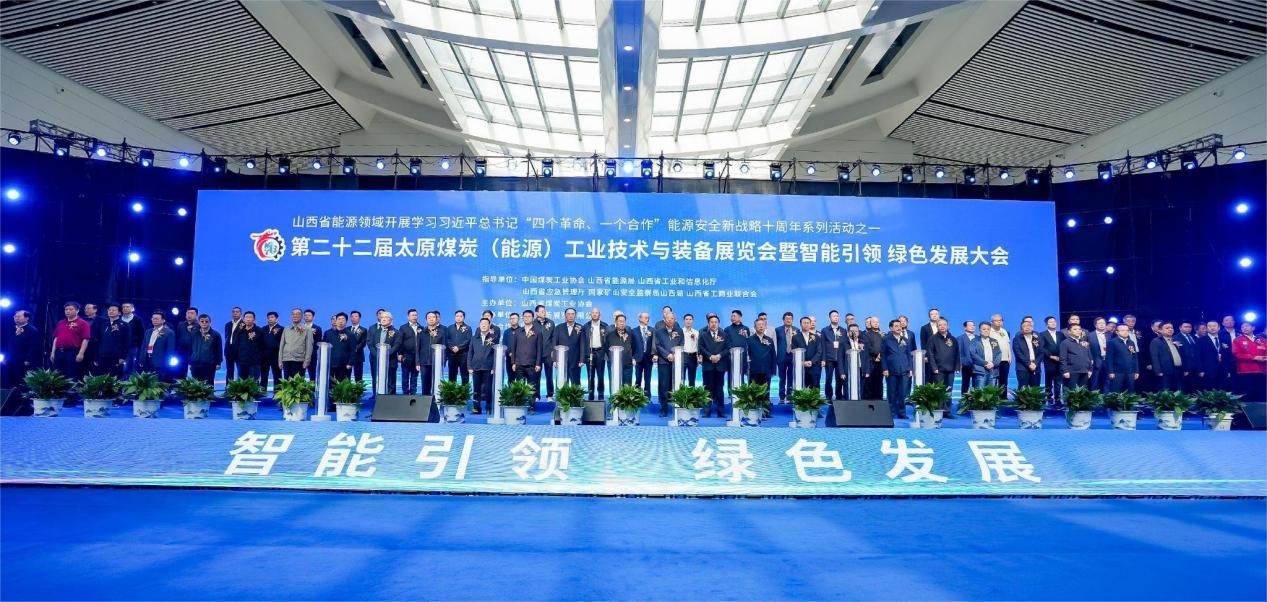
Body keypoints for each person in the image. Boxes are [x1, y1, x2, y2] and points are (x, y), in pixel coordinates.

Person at [50, 302, 91, 381]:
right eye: (66, 309)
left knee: (71, 374)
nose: (68, 311)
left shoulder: (83, 323)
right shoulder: (60, 323)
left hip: (72, 352)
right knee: (57, 374)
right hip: (59, 352)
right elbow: (56, 338)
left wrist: (81, 353)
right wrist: (53, 352)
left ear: (77, 310)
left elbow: (86, 339)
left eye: (71, 309)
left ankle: (71, 389)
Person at [509, 309, 545, 401]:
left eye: (529, 316)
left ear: (533, 318)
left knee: (532, 387)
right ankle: (521, 404)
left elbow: (539, 349)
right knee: (520, 387)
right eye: (525, 316)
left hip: (532, 364)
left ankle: (532, 405)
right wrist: (513, 362)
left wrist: (538, 364)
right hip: (519, 364)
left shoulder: (538, 332)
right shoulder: (518, 332)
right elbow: (513, 348)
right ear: (522, 318)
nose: (527, 318)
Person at [654, 311, 685, 417]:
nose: (670, 320)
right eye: (668, 318)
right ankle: (663, 409)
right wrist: (668, 355)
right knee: (664, 386)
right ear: (664, 320)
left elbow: (682, 343)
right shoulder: (659, 332)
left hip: (677, 362)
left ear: (675, 320)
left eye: (672, 318)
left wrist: (675, 354)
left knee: (677, 385)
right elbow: (658, 346)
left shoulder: (679, 331)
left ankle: (678, 408)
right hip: (664, 362)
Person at [699, 314, 729, 418]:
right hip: (708, 365)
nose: (714, 324)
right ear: (708, 324)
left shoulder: (724, 335)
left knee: (720, 389)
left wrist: (719, 356)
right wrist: (710, 356)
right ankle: (706, 411)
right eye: (711, 322)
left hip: (720, 365)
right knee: (707, 389)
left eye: (716, 322)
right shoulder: (703, 335)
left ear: (719, 323)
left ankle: (721, 412)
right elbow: (701, 348)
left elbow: (727, 348)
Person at [882, 319, 912, 419]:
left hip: (904, 370)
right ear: (891, 328)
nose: (899, 328)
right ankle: (891, 412)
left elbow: (909, 355)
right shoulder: (886, 339)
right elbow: (883, 355)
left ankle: (902, 412)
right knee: (891, 392)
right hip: (891, 370)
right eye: (896, 326)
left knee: (902, 393)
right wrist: (885, 368)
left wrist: (910, 368)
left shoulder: (905, 339)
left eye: (900, 326)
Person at [3, 310, 41, 388]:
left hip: (23, 360)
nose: (16, 318)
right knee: (10, 380)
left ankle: (21, 394)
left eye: (19, 316)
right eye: (15, 316)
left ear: (27, 318)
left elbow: (33, 346)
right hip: (11, 359)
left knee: (21, 380)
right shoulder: (11, 329)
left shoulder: (32, 330)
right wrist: (6, 357)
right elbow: (7, 344)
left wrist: (28, 359)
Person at [1231, 322, 1267, 402]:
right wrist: (1253, 358)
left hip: (1262, 371)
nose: (1244, 328)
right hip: (1246, 371)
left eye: (1247, 326)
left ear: (1253, 328)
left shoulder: (1262, 340)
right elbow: (1237, 354)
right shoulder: (1238, 340)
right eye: (1242, 327)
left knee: (1262, 395)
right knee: (1248, 396)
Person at [469, 318, 498, 414]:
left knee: (488, 388)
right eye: (482, 323)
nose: (483, 325)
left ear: (489, 326)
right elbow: (470, 353)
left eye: (486, 323)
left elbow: (495, 354)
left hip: (488, 367)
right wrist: (469, 366)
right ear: (479, 325)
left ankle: (489, 408)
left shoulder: (494, 338)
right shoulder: (474, 338)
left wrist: (494, 367)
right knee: (476, 389)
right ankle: (476, 408)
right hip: (476, 367)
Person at [835, 324, 871, 402]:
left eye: (856, 331)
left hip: (861, 370)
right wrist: (842, 372)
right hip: (848, 370)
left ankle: (859, 405)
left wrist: (867, 371)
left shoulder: (863, 343)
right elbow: (840, 359)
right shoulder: (843, 343)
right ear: (848, 333)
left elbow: (867, 358)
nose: (854, 333)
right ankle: (848, 405)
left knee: (861, 389)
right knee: (847, 389)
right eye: (852, 331)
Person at [366, 311, 400, 393]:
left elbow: (396, 345)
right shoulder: (375, 331)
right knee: (376, 380)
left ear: (390, 320)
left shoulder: (396, 332)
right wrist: (378, 355)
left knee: (390, 382)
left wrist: (385, 355)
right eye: (382, 317)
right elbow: (370, 344)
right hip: (376, 360)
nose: (383, 319)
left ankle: (390, 398)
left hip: (390, 360)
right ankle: (376, 398)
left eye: (386, 317)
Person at [92, 304, 129, 378]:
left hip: (116, 357)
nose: (111, 311)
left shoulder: (124, 325)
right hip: (102, 356)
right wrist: (96, 357)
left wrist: (123, 357)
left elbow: (127, 342)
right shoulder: (102, 324)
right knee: (100, 378)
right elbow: (98, 341)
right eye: (109, 310)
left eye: (113, 310)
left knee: (114, 378)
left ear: (119, 313)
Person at [580, 308, 609, 400]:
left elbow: (608, 341)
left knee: (600, 375)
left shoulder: (605, 326)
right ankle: (591, 394)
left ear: (600, 315)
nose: (595, 314)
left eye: (597, 313)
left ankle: (601, 394)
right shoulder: (586, 326)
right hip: (590, 353)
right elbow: (583, 342)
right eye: (593, 313)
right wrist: (585, 356)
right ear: (590, 315)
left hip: (601, 352)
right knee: (590, 375)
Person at [140, 310, 177, 381]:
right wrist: (141, 359)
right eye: (153, 318)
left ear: (163, 320)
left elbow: (170, 349)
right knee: (147, 382)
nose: (155, 320)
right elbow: (143, 346)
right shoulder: (148, 331)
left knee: (159, 382)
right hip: (147, 360)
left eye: (157, 319)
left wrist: (167, 363)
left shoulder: (169, 332)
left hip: (160, 362)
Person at [553, 308, 585, 388]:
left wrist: (581, 360)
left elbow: (582, 345)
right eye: (568, 314)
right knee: (562, 383)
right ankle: (561, 395)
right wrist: (555, 360)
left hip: (575, 360)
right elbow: (554, 344)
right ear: (565, 316)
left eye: (572, 314)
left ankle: (576, 396)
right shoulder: (558, 328)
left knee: (576, 383)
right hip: (561, 360)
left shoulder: (580, 327)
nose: (570, 316)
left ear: (575, 315)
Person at [1149, 322, 1185, 392]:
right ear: (1160, 330)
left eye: (1171, 328)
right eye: (1167, 328)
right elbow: (1154, 357)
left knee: (1178, 391)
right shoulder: (1156, 341)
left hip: (1178, 370)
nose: (1170, 329)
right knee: (1166, 391)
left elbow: (1183, 355)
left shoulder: (1176, 340)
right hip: (1165, 371)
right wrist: (1158, 371)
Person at [188, 314, 223, 386]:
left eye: (206, 321)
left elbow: (219, 350)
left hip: (209, 364)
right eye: (202, 321)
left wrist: (218, 363)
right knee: (195, 385)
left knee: (208, 385)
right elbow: (190, 348)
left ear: (210, 322)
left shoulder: (216, 335)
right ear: (199, 322)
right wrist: (190, 359)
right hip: (195, 363)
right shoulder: (194, 333)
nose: (204, 323)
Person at [926, 318, 959, 395]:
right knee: (939, 391)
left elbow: (957, 353)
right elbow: (930, 354)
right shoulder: (932, 339)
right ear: (937, 327)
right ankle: (939, 403)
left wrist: (957, 367)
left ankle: (948, 403)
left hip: (951, 369)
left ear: (948, 326)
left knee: (949, 391)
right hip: (938, 370)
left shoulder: (953, 339)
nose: (942, 326)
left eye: (944, 325)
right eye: (940, 325)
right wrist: (934, 368)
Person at [791, 316, 823, 394]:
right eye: (804, 323)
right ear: (800, 324)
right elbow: (794, 351)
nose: (806, 324)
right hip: (801, 367)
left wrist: (811, 361)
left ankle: (815, 401)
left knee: (815, 387)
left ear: (810, 324)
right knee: (803, 387)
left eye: (808, 323)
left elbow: (819, 351)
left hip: (814, 366)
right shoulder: (795, 337)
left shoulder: (816, 337)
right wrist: (802, 362)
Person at [278, 309, 313, 380]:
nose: (295, 316)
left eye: (297, 314)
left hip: (299, 360)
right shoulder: (286, 329)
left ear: (301, 316)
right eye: (293, 314)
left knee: (298, 383)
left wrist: (307, 361)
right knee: (287, 382)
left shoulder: (307, 329)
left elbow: (309, 346)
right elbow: (282, 345)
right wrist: (280, 360)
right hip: (286, 359)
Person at [605, 313, 636, 392]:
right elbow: (606, 348)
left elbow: (635, 347)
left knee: (627, 386)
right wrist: (611, 358)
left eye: (623, 321)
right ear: (616, 322)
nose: (622, 323)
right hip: (614, 364)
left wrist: (632, 358)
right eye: (620, 321)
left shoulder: (630, 334)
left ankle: (626, 400)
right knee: (614, 385)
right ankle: (614, 399)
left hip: (627, 364)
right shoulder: (610, 335)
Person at [418, 311, 446, 398]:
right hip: (424, 362)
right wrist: (417, 362)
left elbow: (445, 347)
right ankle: (425, 403)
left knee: (437, 384)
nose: (431, 319)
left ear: (436, 319)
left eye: (433, 317)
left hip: (437, 362)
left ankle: (437, 402)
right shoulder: (422, 332)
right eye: (429, 317)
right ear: (426, 320)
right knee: (425, 384)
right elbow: (418, 348)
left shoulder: (442, 332)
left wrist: (443, 361)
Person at [1059, 323, 1094, 390]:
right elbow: (1063, 358)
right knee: (1072, 392)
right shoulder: (1065, 343)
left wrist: (1090, 369)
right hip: (1072, 372)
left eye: (1079, 329)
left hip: (1085, 371)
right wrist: (1065, 371)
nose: (1078, 331)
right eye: (1075, 329)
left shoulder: (1084, 343)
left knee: (1083, 392)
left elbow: (1090, 357)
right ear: (1069, 331)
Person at [820, 310, 847, 400]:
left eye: (837, 316)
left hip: (840, 359)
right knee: (828, 378)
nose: (836, 318)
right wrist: (823, 359)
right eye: (834, 316)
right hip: (829, 358)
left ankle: (838, 396)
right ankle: (828, 396)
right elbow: (823, 346)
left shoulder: (843, 330)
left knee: (839, 379)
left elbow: (844, 346)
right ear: (829, 318)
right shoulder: (825, 330)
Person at [1106, 323, 1140, 393]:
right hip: (1117, 372)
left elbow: (1135, 357)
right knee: (1116, 392)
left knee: (1131, 391)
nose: (1125, 332)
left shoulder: (1131, 342)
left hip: (1130, 372)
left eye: (1127, 330)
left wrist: (1136, 371)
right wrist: (1111, 371)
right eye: (1122, 330)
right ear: (1117, 332)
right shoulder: (1112, 342)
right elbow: (1109, 359)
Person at [323, 312, 356, 384]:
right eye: (339, 319)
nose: (341, 321)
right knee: (329, 384)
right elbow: (324, 349)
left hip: (344, 365)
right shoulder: (328, 334)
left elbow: (353, 350)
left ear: (346, 321)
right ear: (336, 321)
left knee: (343, 386)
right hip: (331, 364)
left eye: (343, 319)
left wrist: (350, 363)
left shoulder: (351, 335)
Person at [747, 318, 777, 397]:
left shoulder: (769, 339)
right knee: (753, 394)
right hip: (754, 371)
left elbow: (773, 355)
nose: (761, 326)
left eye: (763, 324)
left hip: (766, 371)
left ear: (765, 327)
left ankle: (765, 404)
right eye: (759, 325)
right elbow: (746, 355)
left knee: (766, 393)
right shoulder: (749, 340)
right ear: (755, 327)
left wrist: (773, 370)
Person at [1040, 316, 1065, 406]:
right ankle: (1049, 398)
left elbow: (1064, 346)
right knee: (1049, 381)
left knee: (1058, 381)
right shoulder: (1042, 334)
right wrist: (1051, 356)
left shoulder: (1060, 334)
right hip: (1049, 360)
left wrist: (1061, 357)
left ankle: (1058, 399)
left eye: (1054, 321)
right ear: (1047, 324)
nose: (1053, 323)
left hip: (1060, 360)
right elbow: (1042, 347)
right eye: (1050, 322)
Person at [233, 311, 264, 382]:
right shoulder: (239, 331)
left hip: (255, 363)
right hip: (241, 362)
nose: (248, 319)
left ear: (254, 319)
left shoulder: (259, 331)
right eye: (246, 317)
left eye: (250, 317)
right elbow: (236, 345)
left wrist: (260, 358)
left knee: (254, 383)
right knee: (241, 383)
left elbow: (263, 346)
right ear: (243, 319)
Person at [398, 309, 424, 395]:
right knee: (405, 376)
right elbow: (400, 342)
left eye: (416, 315)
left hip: (417, 357)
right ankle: (405, 394)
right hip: (406, 356)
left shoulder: (421, 328)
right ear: (408, 317)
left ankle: (413, 394)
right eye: (412, 315)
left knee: (414, 377)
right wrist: (400, 354)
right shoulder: (403, 328)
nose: (414, 317)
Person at [1012, 319, 1043, 388]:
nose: (1027, 327)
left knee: (1035, 389)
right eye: (1024, 326)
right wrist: (1029, 364)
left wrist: (1035, 363)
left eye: (1029, 326)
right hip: (1022, 367)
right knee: (1023, 389)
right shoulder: (1017, 339)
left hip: (1036, 367)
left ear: (1032, 327)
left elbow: (1041, 352)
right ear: (1021, 329)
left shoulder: (1037, 338)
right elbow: (1018, 354)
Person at [534, 305, 556, 400]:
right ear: (537, 313)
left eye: (544, 311)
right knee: (536, 375)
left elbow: (554, 338)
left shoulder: (551, 323)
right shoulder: (533, 323)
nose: (544, 312)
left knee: (549, 375)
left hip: (548, 353)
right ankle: (536, 395)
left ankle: (550, 395)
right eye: (542, 311)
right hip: (536, 354)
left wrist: (553, 351)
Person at [723, 309, 750, 387]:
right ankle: (730, 391)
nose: (732, 318)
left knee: (742, 374)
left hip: (742, 356)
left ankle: (742, 390)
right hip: (730, 356)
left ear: (740, 317)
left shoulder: (745, 328)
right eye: (731, 316)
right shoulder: (727, 329)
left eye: (734, 316)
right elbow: (725, 343)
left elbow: (748, 341)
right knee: (730, 375)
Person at [970, 322, 1001, 388]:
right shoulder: (974, 341)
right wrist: (986, 363)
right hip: (980, 370)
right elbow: (973, 354)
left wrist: (993, 364)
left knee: (992, 392)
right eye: (984, 329)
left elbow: (999, 354)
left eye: (988, 329)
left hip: (993, 370)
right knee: (979, 391)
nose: (986, 330)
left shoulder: (994, 341)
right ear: (979, 330)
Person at [446, 310, 472, 386]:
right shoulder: (450, 328)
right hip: (452, 355)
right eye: (457, 316)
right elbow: (447, 340)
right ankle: (451, 391)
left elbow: (468, 340)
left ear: (464, 318)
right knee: (452, 375)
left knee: (464, 375)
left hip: (463, 355)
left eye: (460, 316)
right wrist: (452, 348)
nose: (458, 318)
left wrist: (459, 347)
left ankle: (465, 391)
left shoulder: (468, 328)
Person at [775, 312, 797, 401]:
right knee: (782, 378)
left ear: (792, 320)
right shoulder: (778, 330)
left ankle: (789, 395)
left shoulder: (797, 330)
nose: (789, 320)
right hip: (781, 356)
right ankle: (781, 396)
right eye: (787, 319)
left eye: (790, 319)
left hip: (792, 356)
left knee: (791, 377)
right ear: (783, 320)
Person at [633, 312, 655, 400]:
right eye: (645, 317)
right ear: (640, 319)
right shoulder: (634, 331)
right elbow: (632, 345)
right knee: (638, 378)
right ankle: (636, 396)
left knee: (648, 378)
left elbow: (654, 344)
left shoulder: (652, 330)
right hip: (638, 358)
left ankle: (647, 396)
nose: (647, 319)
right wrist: (633, 358)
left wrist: (655, 354)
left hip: (649, 358)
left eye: (648, 317)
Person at [862, 316, 885, 400]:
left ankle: (879, 400)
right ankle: (869, 401)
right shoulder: (866, 335)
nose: (876, 323)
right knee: (870, 382)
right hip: (871, 362)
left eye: (877, 322)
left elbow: (885, 347)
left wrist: (881, 355)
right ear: (870, 323)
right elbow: (868, 347)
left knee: (879, 382)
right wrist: (876, 355)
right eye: (874, 322)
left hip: (881, 362)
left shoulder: (883, 335)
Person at [119, 302, 144, 376]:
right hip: (119, 346)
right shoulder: (118, 319)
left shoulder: (137, 319)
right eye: (124, 307)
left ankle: (128, 379)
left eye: (127, 307)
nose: (125, 308)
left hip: (132, 346)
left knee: (130, 365)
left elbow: (141, 333)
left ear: (132, 308)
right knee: (119, 365)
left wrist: (138, 344)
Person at [260, 312, 284, 390]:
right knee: (263, 375)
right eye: (268, 318)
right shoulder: (263, 329)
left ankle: (278, 393)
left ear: (276, 318)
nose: (270, 319)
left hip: (276, 356)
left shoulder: (281, 329)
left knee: (277, 375)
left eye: (272, 317)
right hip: (264, 356)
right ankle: (262, 392)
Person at [1175, 321, 1201, 392]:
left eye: (1189, 327)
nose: (1188, 328)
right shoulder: (1176, 338)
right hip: (1185, 367)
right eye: (1186, 327)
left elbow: (1198, 353)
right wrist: (1184, 369)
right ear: (1180, 328)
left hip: (1195, 367)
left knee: (1195, 387)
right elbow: (1179, 355)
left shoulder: (1194, 337)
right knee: (1185, 388)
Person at [990, 314, 1012, 393]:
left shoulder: (1004, 331)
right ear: (992, 322)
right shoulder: (989, 331)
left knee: (1004, 379)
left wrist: (1010, 356)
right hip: (994, 360)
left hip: (1005, 359)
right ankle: (993, 396)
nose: (999, 322)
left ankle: (1003, 396)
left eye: (1000, 320)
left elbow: (1007, 344)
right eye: (996, 320)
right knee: (993, 379)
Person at [1199, 320, 1223, 391]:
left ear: (1219, 327)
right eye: (1209, 326)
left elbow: (1227, 356)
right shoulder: (1201, 340)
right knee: (1208, 391)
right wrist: (1200, 370)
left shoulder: (1224, 339)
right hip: (1207, 371)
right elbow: (1198, 356)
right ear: (1206, 328)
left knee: (1222, 391)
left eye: (1214, 326)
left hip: (1222, 370)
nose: (1212, 328)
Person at [175, 308, 199, 378]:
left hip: (194, 352)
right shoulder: (180, 324)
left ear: (196, 315)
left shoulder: (199, 326)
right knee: (180, 372)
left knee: (195, 373)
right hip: (181, 352)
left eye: (192, 313)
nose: (189, 315)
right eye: (188, 313)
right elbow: (177, 337)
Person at [1089, 317, 1111, 392]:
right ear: (1095, 325)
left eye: (1103, 323)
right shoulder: (1090, 335)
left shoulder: (1109, 335)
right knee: (1095, 381)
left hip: (1107, 361)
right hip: (1096, 361)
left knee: (1107, 381)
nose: (1102, 325)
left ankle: (1107, 397)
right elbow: (1088, 350)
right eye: (1100, 323)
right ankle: (1094, 396)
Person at [956, 321, 978, 393]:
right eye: (970, 325)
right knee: (965, 383)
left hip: (977, 365)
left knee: (977, 383)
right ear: (965, 327)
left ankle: (976, 397)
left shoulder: (978, 338)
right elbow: (959, 352)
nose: (972, 327)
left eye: (973, 325)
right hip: (966, 365)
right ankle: (964, 397)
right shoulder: (960, 338)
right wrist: (960, 364)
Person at [222, 307, 243, 381]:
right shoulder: (228, 324)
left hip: (239, 351)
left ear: (241, 313)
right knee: (229, 370)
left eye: (237, 312)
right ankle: (228, 386)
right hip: (229, 350)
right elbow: (226, 337)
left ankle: (240, 386)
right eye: (233, 312)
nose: (235, 313)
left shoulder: (244, 324)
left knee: (240, 370)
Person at [348, 311, 368, 385]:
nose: (354, 318)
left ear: (359, 318)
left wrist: (354, 349)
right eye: (352, 316)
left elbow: (363, 343)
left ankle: (358, 390)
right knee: (346, 375)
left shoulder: (363, 330)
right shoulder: (346, 329)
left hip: (358, 355)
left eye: (356, 316)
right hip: (347, 356)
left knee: (358, 376)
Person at [302, 309, 322, 381]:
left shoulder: (318, 328)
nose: (307, 317)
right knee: (300, 373)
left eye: (309, 315)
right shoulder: (300, 327)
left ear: (313, 317)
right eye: (305, 315)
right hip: (300, 353)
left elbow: (318, 342)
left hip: (312, 354)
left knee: (312, 373)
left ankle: (312, 387)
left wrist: (311, 350)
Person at [680, 313, 699, 387]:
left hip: (693, 356)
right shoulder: (680, 331)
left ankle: (692, 393)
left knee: (692, 379)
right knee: (682, 378)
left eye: (690, 319)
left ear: (693, 321)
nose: (688, 321)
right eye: (687, 319)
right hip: (683, 355)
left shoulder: (696, 332)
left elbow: (698, 345)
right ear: (684, 321)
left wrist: (698, 357)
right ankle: (681, 393)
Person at [502, 313, 521, 381]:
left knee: (520, 380)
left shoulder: (522, 330)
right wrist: (509, 353)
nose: (512, 320)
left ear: (518, 319)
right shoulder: (506, 332)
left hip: (520, 359)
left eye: (514, 318)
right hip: (509, 358)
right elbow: (504, 345)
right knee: (510, 379)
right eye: (511, 319)